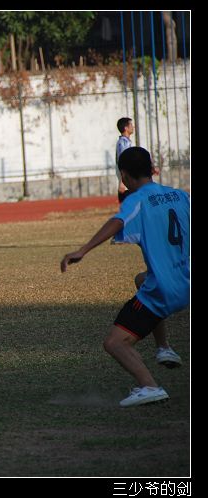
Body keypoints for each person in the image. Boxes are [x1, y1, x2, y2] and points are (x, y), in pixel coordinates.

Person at [61, 147, 189, 408]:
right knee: (142, 280)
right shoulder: (180, 195)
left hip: (165, 290)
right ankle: (163, 347)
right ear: (152, 169)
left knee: (115, 343)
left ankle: (149, 386)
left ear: (124, 176)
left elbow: (118, 222)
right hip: (186, 282)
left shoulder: (137, 200)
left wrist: (83, 250)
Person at [115, 117, 134, 203]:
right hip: (126, 182)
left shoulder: (127, 142)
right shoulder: (123, 143)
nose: (133, 127)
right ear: (126, 128)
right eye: (131, 125)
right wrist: (122, 182)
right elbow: (122, 161)